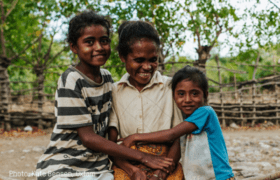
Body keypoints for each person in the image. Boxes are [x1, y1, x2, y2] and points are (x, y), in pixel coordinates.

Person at [35, 11, 173, 180]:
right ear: (73, 47)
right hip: (65, 165)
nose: (99, 47)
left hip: (98, 166)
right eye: (89, 42)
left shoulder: (107, 79)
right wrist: (143, 157)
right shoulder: (71, 80)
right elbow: (88, 138)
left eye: (104, 41)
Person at [118, 66, 235, 180]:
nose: (188, 99)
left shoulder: (205, 112)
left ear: (205, 95)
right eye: (181, 94)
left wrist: (135, 137)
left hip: (218, 176)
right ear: (173, 96)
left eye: (194, 93)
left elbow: (171, 134)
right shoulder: (185, 123)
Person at [108, 21, 184, 180]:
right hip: (127, 164)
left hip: (166, 162)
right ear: (123, 57)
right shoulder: (114, 91)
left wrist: (161, 173)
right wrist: (132, 170)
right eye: (139, 60)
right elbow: (112, 145)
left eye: (153, 59)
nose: (147, 67)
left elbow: (178, 137)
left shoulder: (170, 87)